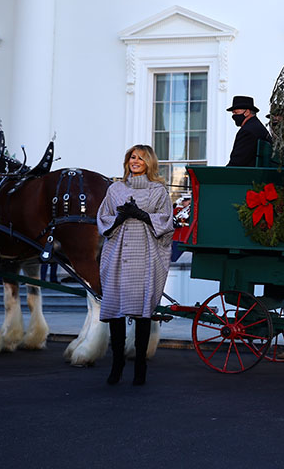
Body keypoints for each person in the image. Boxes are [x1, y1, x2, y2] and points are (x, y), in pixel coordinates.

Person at [96, 145, 177, 386]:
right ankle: (117, 363)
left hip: (145, 256)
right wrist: (119, 218)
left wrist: (143, 215)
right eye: (132, 157)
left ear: (149, 162)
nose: (135, 161)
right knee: (115, 314)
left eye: (141, 158)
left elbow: (166, 221)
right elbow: (103, 218)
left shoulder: (158, 191)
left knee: (142, 314)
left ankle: (140, 364)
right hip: (118, 255)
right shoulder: (115, 189)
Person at [226, 95, 272, 167]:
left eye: (236, 112)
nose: (233, 116)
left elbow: (237, 161)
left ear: (247, 112)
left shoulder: (247, 131)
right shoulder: (256, 126)